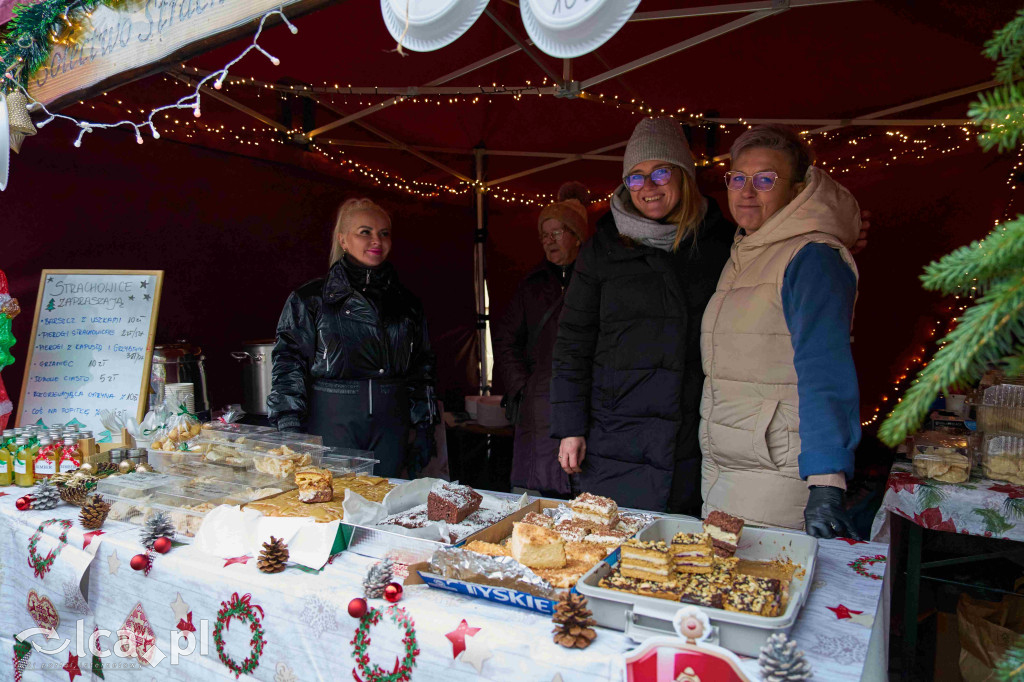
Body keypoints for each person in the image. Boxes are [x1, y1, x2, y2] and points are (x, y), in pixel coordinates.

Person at [550, 118, 735, 514]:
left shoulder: (722, 242)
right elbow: (572, 342)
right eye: (635, 177)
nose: (648, 187)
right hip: (615, 435)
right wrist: (569, 427)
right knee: (614, 554)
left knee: (685, 560)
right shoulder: (602, 249)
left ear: (684, 175)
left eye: (660, 172)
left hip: (696, 433)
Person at [699, 124, 861, 538]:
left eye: (765, 179)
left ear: (799, 188)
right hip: (728, 465)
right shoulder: (746, 252)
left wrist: (827, 482)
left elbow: (825, 369)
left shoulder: (811, 258)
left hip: (778, 470)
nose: (747, 191)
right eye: (738, 178)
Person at [268, 198, 437, 478]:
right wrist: (288, 424)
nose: (376, 240)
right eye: (365, 232)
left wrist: (425, 425)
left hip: (391, 423)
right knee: (335, 505)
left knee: (389, 506)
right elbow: (288, 362)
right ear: (343, 240)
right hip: (332, 421)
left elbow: (423, 367)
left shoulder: (407, 303)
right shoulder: (310, 299)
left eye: (384, 233)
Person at [492, 183, 590, 499]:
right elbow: (505, 340)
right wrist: (523, 386)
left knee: (586, 498)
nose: (549, 241)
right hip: (537, 404)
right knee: (538, 496)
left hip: (584, 400)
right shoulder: (530, 286)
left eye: (557, 233)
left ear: (576, 235)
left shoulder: (596, 280)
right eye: (544, 235)